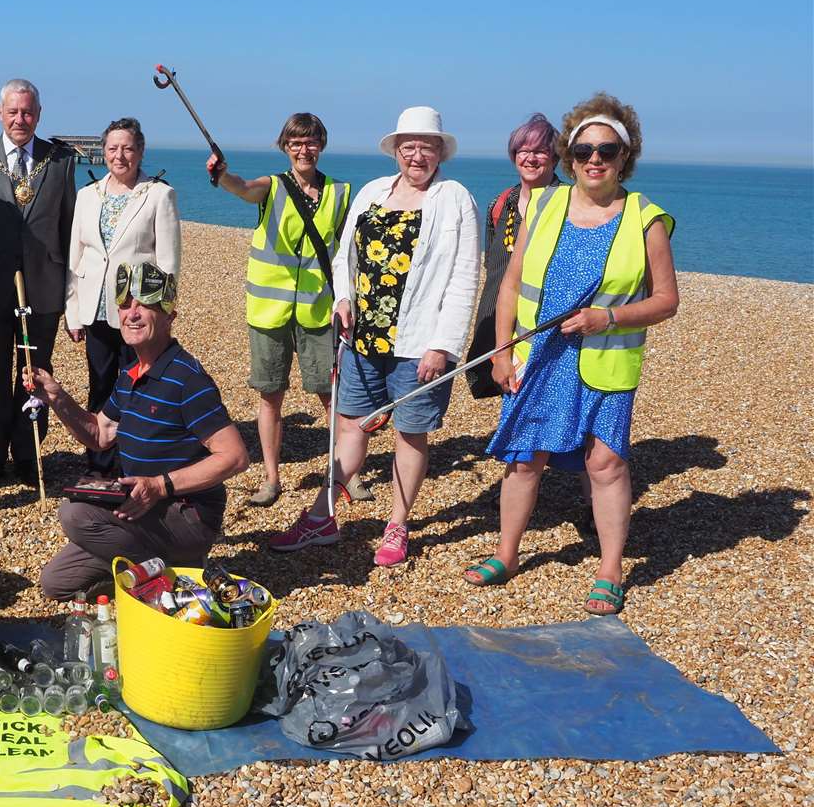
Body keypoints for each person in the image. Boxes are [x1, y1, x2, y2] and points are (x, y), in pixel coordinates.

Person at [465, 94, 677, 615]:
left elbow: (667, 300)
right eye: (583, 150)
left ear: (626, 155)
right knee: (523, 459)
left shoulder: (646, 219)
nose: (594, 159)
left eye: (607, 149)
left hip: (605, 362)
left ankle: (610, 569)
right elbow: (510, 284)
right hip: (539, 356)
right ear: (570, 156)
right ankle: (506, 554)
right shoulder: (544, 205)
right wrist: (499, 355)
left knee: (605, 465)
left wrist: (607, 318)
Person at [270, 107, 480, 567]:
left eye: (427, 146)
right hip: (361, 338)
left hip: (419, 345)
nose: (417, 155)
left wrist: (443, 346)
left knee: (410, 434)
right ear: (396, 150)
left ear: (441, 151)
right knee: (350, 426)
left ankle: (397, 524)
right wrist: (342, 300)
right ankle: (322, 517)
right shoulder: (371, 192)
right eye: (409, 146)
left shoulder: (454, 198)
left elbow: (465, 279)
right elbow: (345, 256)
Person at [25, 262, 249, 600]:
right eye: (126, 304)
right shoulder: (131, 372)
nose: (133, 313)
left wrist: (160, 486)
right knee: (57, 582)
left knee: (74, 515)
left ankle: (176, 571)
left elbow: (235, 457)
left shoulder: (188, 379)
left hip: (185, 514)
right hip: (139, 505)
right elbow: (100, 434)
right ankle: (146, 572)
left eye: (146, 305)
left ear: (170, 314)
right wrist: (56, 396)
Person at [208, 113, 365, 506]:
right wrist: (222, 175)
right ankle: (271, 477)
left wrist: (351, 300)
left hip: (318, 311)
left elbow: (349, 253)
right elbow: (243, 188)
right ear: (285, 146)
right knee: (270, 396)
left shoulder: (341, 193)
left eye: (311, 142)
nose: (303, 149)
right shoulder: (272, 186)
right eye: (296, 142)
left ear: (321, 145)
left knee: (333, 397)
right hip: (268, 312)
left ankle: (348, 474)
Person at [0, 79, 77, 488]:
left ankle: (28, 452)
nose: (20, 119)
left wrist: (72, 290)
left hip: (43, 284)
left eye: (27, 112)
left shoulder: (60, 161)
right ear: (0, 114)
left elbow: (70, 226)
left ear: (38, 115)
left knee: (35, 372)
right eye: (13, 112)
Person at [66, 117, 180, 475]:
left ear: (141, 151)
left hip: (138, 311)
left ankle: (136, 461)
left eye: (128, 148)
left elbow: (169, 262)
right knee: (100, 384)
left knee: (137, 384)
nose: (120, 155)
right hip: (95, 307)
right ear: (104, 151)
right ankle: (100, 464)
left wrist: (163, 313)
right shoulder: (87, 195)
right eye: (113, 148)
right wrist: (72, 312)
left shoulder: (159, 194)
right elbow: (75, 256)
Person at [466, 114, 563, 398]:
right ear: (514, 155)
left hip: (544, 321)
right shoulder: (501, 203)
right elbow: (492, 265)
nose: (531, 158)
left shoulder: (568, 203)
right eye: (524, 151)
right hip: (498, 314)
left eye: (541, 151)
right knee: (505, 390)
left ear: (555, 157)